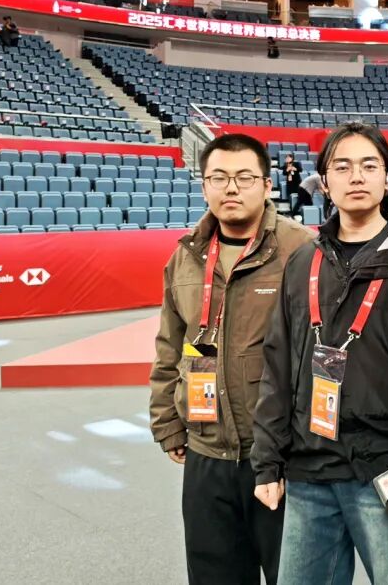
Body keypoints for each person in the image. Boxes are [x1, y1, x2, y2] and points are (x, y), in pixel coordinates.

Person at [252, 122, 388, 585]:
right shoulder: (303, 260)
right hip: (309, 468)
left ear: (387, 177)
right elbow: (278, 362)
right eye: (342, 166)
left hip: (386, 469)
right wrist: (268, 460)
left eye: (369, 166)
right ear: (325, 180)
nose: (356, 176)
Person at [149, 133, 313, 585]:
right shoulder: (185, 256)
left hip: (284, 457)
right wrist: (167, 422)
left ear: (266, 185)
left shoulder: (301, 250)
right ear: (204, 185)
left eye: (244, 177)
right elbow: (170, 346)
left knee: (294, 576)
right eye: (219, 178)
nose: (232, 188)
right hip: (207, 454)